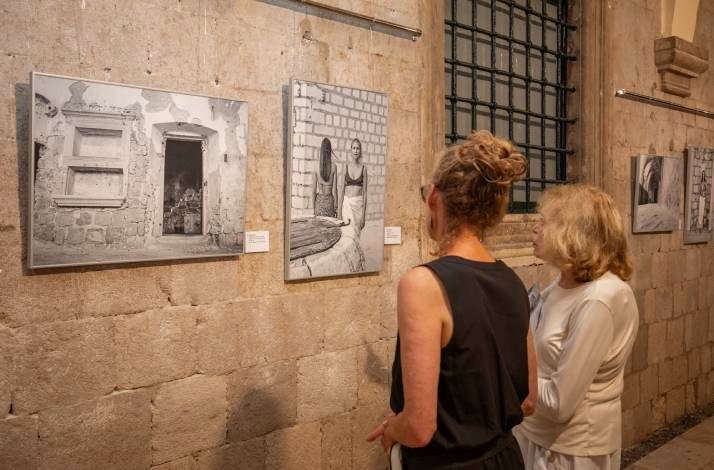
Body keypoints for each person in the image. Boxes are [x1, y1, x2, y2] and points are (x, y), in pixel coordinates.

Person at [367, 130, 534, 469]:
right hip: (506, 459)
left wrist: (393, 427)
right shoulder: (512, 281)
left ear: (433, 198)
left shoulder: (424, 284)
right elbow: (528, 400)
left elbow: (418, 427)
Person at [514, 184, 639, 470]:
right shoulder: (559, 285)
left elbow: (560, 403)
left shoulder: (600, 299)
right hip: (535, 435)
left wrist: (504, 375)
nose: (534, 229)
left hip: (570, 452)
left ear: (574, 232)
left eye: (544, 222)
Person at [339, 138, 368, 233]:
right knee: (346, 236)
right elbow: (342, 190)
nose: (356, 151)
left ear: (360, 151)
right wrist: (339, 213)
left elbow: (365, 193)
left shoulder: (363, 169)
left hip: (358, 207)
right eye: (354, 148)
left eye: (358, 148)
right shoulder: (346, 167)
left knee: (356, 237)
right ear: (351, 150)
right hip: (346, 206)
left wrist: (363, 216)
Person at [313, 138, 338, 217]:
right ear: (330, 150)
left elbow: (313, 191)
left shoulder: (316, 166)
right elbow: (334, 191)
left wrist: (314, 207)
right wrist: (336, 207)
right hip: (329, 204)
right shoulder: (334, 167)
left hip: (319, 203)